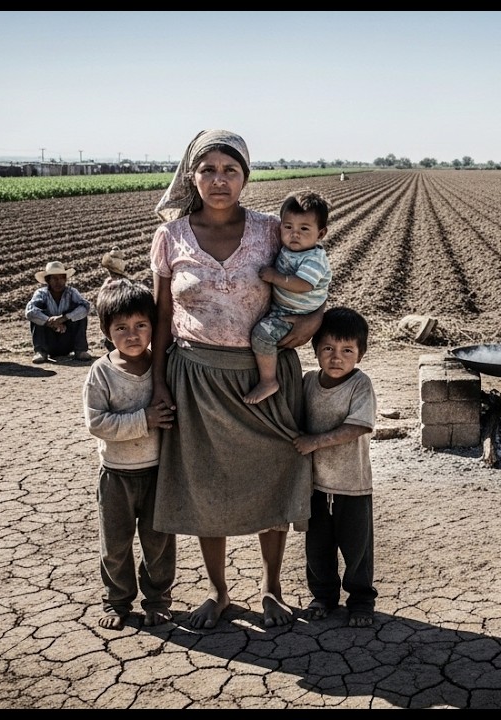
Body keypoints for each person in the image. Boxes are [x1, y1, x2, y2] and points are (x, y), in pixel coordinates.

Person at [148, 128, 324, 630]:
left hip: (264, 377)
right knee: (207, 485)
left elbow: (314, 284)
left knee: (274, 476)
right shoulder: (171, 236)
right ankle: (218, 591)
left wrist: (313, 321)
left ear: (246, 177)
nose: (219, 180)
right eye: (208, 170)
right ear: (191, 177)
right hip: (197, 378)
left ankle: (271, 588)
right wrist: (159, 383)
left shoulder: (271, 229)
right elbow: (162, 317)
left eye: (230, 170)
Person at [82, 278, 177, 630]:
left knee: (159, 543)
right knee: (115, 545)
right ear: (106, 331)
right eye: (121, 328)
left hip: (157, 473)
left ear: (154, 327)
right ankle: (117, 601)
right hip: (116, 475)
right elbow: (97, 423)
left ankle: (158, 600)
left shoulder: (162, 368)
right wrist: (144, 420)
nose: (133, 335)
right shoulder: (101, 373)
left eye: (141, 325)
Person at [293, 307, 378, 628]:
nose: (336, 357)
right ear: (315, 349)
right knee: (317, 547)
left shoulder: (360, 385)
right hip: (314, 485)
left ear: (360, 354)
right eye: (328, 348)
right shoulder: (308, 382)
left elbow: (358, 426)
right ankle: (323, 596)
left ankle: (361, 601)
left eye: (347, 350)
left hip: (352, 484)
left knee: (357, 548)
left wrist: (314, 442)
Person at [244, 189, 332, 404]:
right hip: (284, 308)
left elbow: (303, 284)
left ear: (321, 234)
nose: (295, 234)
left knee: (262, 335)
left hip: (295, 314)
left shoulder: (313, 258)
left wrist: (276, 277)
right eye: (288, 227)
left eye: (304, 229)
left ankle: (268, 380)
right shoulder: (291, 249)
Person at [26, 260, 93, 364]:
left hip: (67, 338)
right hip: (49, 340)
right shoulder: (41, 294)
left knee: (80, 314)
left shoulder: (71, 292)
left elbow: (86, 307)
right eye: (54, 278)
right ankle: (41, 352)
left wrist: (63, 318)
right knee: (37, 317)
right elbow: (30, 311)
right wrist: (49, 321)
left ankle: (80, 350)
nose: (59, 282)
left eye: (62, 278)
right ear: (48, 280)